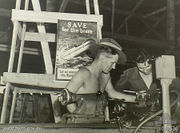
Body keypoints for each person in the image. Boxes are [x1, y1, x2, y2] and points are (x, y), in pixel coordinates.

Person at [58, 38, 136, 117]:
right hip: (81, 123)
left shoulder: (105, 76)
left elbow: (113, 93)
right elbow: (66, 100)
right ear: (102, 59)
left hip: (97, 121)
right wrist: (81, 118)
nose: (114, 67)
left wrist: (137, 99)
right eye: (113, 63)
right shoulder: (84, 73)